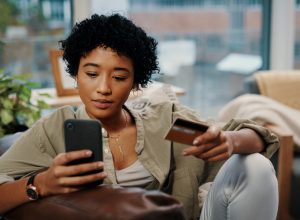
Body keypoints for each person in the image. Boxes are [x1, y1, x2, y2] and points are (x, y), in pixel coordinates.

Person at [0, 14, 279, 220]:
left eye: (119, 77)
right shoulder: (53, 130)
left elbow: (257, 137)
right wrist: (41, 184)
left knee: (254, 165)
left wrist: (230, 140)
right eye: (92, 74)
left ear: (135, 82)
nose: (104, 88)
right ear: (76, 75)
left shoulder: (164, 123)